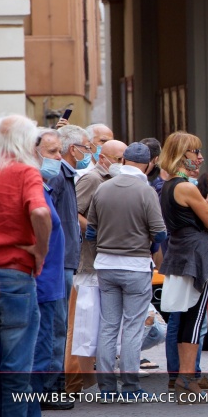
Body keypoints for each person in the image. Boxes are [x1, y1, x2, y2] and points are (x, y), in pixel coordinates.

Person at [86, 142, 167, 401]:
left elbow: (90, 231)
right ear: (147, 163)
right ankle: (131, 387)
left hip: (106, 266)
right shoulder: (146, 191)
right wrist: (150, 245)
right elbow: (160, 232)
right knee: (132, 327)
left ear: (124, 161)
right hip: (135, 266)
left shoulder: (103, 188)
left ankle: (107, 389)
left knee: (108, 326)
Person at [158, 132, 208, 403]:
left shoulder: (169, 185)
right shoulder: (185, 187)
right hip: (196, 254)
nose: (200, 158)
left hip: (181, 251)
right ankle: (188, 376)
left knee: (186, 316)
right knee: (194, 318)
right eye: (195, 152)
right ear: (181, 155)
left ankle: (185, 376)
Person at [0, 114, 51, 417]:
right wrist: (40, 250)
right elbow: (40, 211)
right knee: (16, 370)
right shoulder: (26, 171)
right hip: (16, 274)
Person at [64, 139, 127, 395]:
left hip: (106, 262)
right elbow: (73, 212)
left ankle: (95, 379)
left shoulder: (115, 181)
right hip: (89, 263)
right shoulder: (92, 179)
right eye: (119, 159)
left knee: (102, 326)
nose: (123, 164)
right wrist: (98, 230)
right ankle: (72, 383)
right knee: (80, 328)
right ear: (103, 158)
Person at [44, 124, 93, 398]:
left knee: (60, 325)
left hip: (64, 260)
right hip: (59, 262)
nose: (89, 153)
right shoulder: (59, 176)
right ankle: (53, 387)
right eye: (86, 147)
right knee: (57, 326)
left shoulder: (67, 175)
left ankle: (55, 384)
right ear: (73, 149)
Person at [28, 129, 69, 417]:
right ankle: (30, 410)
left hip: (49, 283)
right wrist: (40, 257)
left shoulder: (45, 187)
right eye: (53, 152)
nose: (59, 158)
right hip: (40, 285)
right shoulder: (34, 189)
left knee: (44, 349)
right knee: (37, 353)